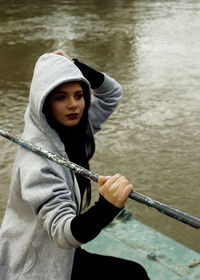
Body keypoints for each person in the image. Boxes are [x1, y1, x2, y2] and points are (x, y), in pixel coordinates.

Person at [0, 50, 150, 279]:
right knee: (133, 275)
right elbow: (62, 234)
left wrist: (76, 66)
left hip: (67, 254)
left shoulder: (75, 130)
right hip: (36, 264)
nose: (74, 105)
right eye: (61, 97)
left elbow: (112, 94)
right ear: (45, 101)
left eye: (79, 95)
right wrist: (107, 206)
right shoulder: (38, 163)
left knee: (133, 273)